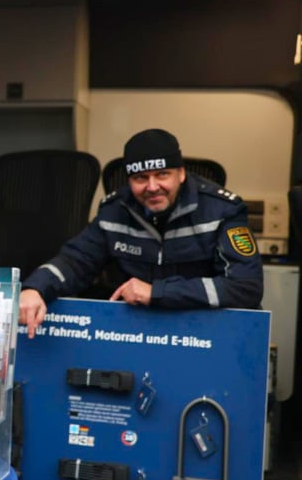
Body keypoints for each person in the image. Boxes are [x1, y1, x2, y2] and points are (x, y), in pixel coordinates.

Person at [19, 128, 263, 338]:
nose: (152, 187)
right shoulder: (115, 211)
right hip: (138, 331)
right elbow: (76, 260)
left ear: (181, 173)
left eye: (162, 174)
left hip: (207, 332)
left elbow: (245, 287)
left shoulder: (222, 210)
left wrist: (157, 292)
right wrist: (36, 288)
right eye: (140, 178)